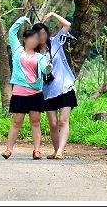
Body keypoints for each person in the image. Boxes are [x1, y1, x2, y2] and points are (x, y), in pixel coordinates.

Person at [2, 15, 52, 160]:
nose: (34, 41)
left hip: (35, 92)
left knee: (35, 122)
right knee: (16, 121)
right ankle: (8, 149)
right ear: (25, 39)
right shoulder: (17, 51)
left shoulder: (40, 57)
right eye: (32, 38)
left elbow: (45, 69)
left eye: (36, 39)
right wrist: (22, 19)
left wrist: (48, 67)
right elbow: (12, 32)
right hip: (19, 91)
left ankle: (37, 150)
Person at [34, 12, 78, 159]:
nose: (41, 37)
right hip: (48, 91)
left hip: (65, 87)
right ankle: (56, 151)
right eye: (38, 35)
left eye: (43, 33)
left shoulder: (56, 42)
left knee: (62, 121)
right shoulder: (35, 55)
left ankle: (60, 152)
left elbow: (67, 25)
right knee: (53, 124)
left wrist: (52, 14)